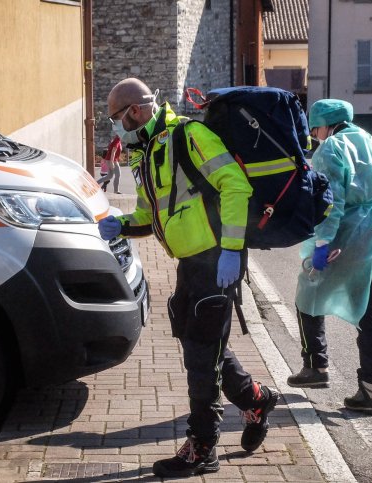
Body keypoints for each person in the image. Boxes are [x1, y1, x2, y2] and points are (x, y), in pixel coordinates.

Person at [97, 78, 280, 478]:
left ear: (135, 110)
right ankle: (256, 400)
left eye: (116, 118)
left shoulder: (189, 135)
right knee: (201, 347)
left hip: (216, 260)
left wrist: (231, 249)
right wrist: (121, 224)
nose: (115, 127)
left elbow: (235, 185)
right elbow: (150, 216)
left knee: (201, 358)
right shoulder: (146, 153)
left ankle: (202, 447)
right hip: (190, 265)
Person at [287, 99, 372, 415]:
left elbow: (329, 202)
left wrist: (323, 244)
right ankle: (371, 389)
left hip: (347, 235)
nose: (315, 134)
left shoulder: (331, 149)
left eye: (316, 127)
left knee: (308, 291)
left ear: (325, 124)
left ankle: (315, 366)